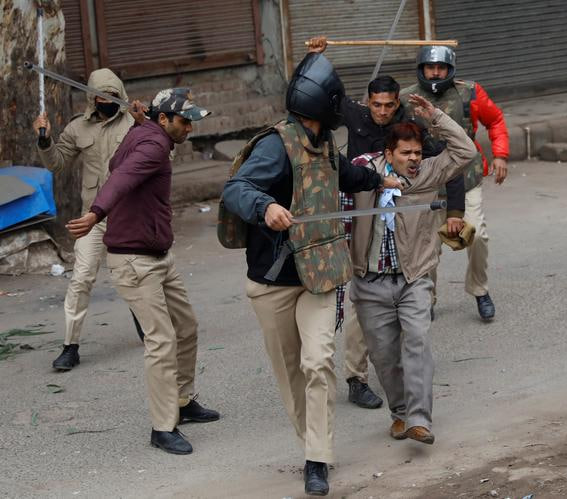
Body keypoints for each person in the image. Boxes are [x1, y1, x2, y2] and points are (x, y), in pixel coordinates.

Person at [221, 52, 401, 496]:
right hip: (273, 282)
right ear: (327, 104)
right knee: (291, 374)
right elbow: (236, 189)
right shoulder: (275, 145)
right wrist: (266, 206)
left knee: (318, 361)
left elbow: (343, 175)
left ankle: (317, 458)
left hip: (319, 276)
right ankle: (310, 442)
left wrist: (379, 180)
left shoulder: (323, 143)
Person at [307, 37, 467, 408]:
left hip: (411, 224)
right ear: (367, 102)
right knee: (363, 307)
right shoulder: (354, 116)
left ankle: (408, 366)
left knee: (421, 292)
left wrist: (455, 214)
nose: (381, 112)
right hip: (367, 223)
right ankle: (357, 377)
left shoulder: (410, 131)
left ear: (398, 103)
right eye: (376, 104)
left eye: (389, 105)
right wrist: (314, 57)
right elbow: (320, 92)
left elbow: (451, 166)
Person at [65, 89, 220, 455]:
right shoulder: (153, 145)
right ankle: (163, 427)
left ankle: (182, 401)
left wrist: (141, 123)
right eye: (184, 121)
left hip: (158, 255)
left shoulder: (145, 133)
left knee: (186, 327)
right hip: (135, 261)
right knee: (161, 341)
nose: (189, 129)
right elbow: (122, 176)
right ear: (163, 119)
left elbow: (119, 161)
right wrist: (96, 213)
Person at [349, 97, 476, 445]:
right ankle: (401, 413)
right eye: (406, 153)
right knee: (384, 356)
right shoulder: (364, 172)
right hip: (369, 281)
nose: (414, 159)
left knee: (418, 341)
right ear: (389, 153)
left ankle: (419, 420)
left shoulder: (429, 173)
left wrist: (436, 117)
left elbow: (466, 152)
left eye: (418, 152)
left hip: (414, 278)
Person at [34, 68, 146, 370]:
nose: (105, 101)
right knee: (81, 278)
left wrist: (145, 125)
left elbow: (162, 156)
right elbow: (57, 164)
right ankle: (70, 346)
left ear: (120, 94)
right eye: (99, 96)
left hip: (128, 214)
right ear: (91, 98)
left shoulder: (135, 122)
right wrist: (45, 140)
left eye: (111, 95)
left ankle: (146, 322)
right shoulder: (77, 128)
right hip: (93, 217)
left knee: (133, 275)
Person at [401, 45, 509, 321]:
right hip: (425, 183)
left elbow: (495, 120)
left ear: (450, 70)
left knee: (477, 236)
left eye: (441, 67)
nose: (436, 73)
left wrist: (500, 155)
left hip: (466, 176)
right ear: (421, 69)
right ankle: (427, 298)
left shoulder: (469, 92)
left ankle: (480, 289)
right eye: (430, 67)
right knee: (427, 246)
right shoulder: (405, 98)